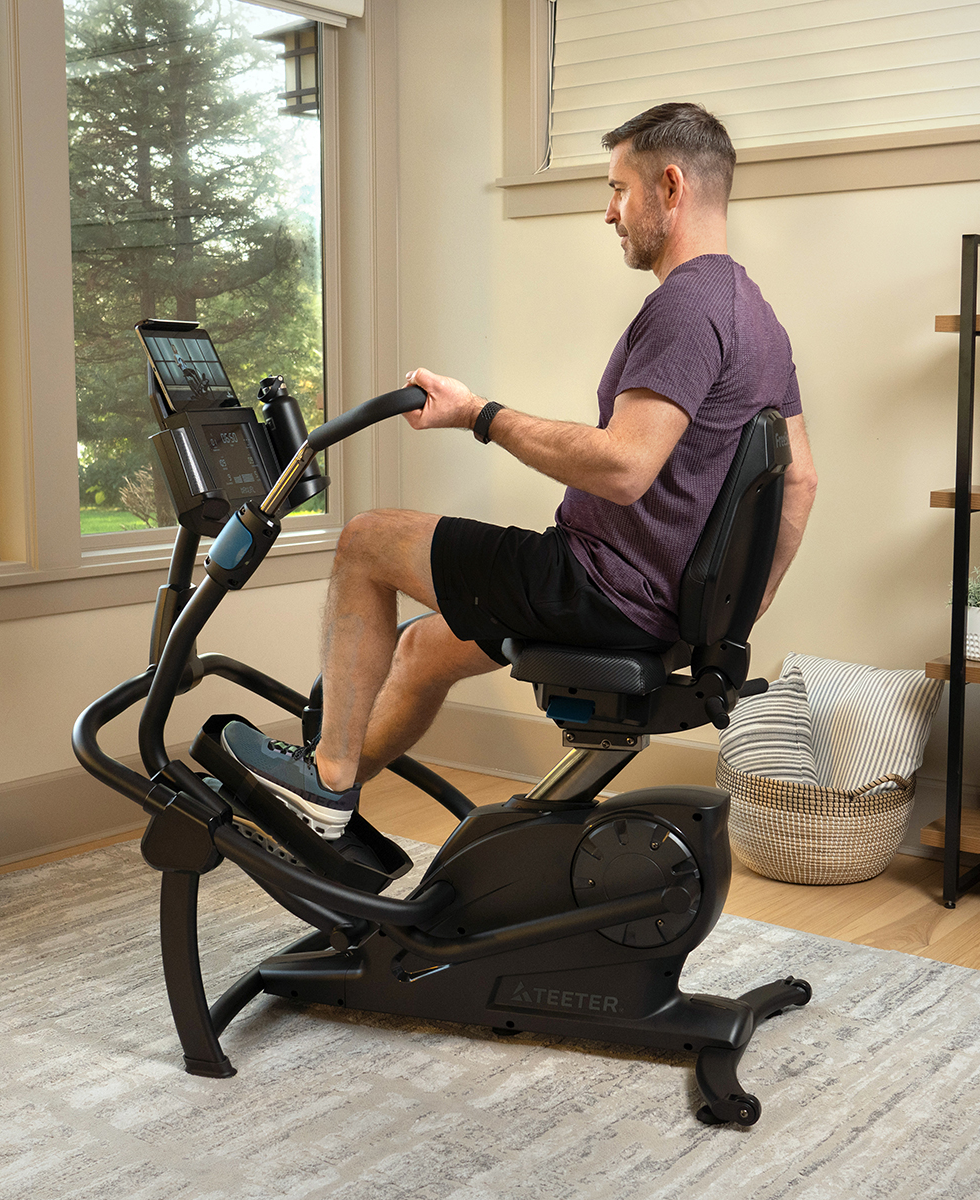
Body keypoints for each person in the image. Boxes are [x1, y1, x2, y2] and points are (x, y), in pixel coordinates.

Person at [227, 102, 819, 838]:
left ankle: (329, 777)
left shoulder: (685, 307)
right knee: (422, 649)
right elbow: (800, 484)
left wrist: (478, 414)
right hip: (649, 603)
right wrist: (724, 628)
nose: (610, 213)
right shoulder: (759, 319)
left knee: (366, 541)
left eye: (618, 190)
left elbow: (626, 467)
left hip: (597, 588)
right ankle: (323, 815)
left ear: (671, 188)